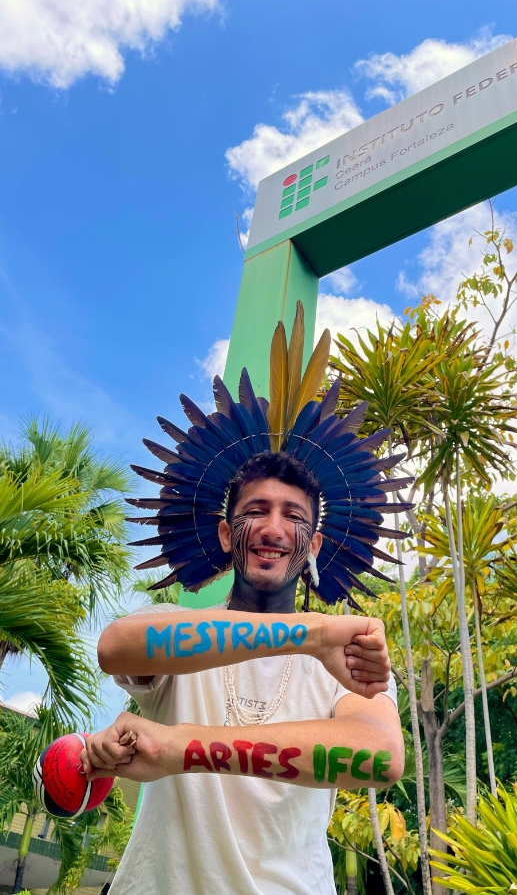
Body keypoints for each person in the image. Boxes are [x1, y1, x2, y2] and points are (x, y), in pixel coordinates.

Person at [81, 306, 409, 895]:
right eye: (255, 512)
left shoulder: (352, 663)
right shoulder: (179, 628)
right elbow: (115, 648)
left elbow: (380, 757)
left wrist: (183, 748)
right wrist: (310, 634)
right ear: (230, 534)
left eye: (293, 516)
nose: (272, 528)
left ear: (313, 542)